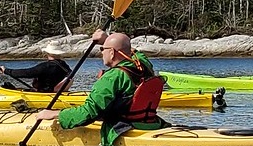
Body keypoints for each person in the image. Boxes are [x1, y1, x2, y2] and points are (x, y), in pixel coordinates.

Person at [31, 31, 168, 133]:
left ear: (113, 53)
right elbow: (133, 52)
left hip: (123, 128)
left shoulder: (111, 78)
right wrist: (107, 39)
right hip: (151, 124)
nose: (101, 52)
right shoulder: (144, 65)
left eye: (103, 49)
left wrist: (55, 114)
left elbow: (88, 113)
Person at [0, 50, 75, 92]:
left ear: (47, 53)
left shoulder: (45, 66)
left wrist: (6, 71)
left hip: (47, 93)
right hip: (56, 92)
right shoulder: (64, 65)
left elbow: (27, 73)